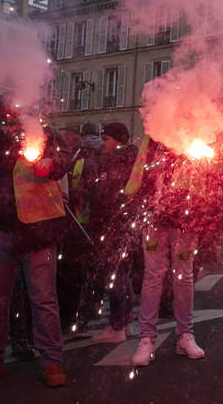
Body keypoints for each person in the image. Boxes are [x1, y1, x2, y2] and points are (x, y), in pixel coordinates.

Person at [0, 93, 69, 387]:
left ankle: (52, 362)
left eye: (13, 110)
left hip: (38, 230)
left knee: (43, 300)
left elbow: (62, 160)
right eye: (5, 111)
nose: (9, 117)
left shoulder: (46, 134)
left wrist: (49, 163)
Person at [130, 136, 206, 366]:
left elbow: (203, 175)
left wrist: (200, 215)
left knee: (183, 276)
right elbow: (139, 173)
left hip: (185, 217)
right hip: (154, 216)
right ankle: (146, 339)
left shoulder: (193, 131)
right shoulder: (152, 135)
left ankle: (185, 335)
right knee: (153, 276)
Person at [89, 122, 138, 344]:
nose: (102, 143)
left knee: (115, 275)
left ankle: (117, 326)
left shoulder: (117, 162)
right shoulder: (128, 161)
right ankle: (125, 322)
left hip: (113, 225)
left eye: (106, 139)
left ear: (119, 141)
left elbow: (105, 197)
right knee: (123, 273)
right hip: (124, 224)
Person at [56, 126, 99, 335]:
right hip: (65, 225)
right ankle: (65, 315)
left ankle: (77, 315)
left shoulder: (86, 162)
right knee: (63, 274)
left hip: (81, 225)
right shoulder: (66, 159)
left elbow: (89, 191)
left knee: (78, 275)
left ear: (73, 140)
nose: (60, 140)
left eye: (64, 137)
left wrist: (69, 193)